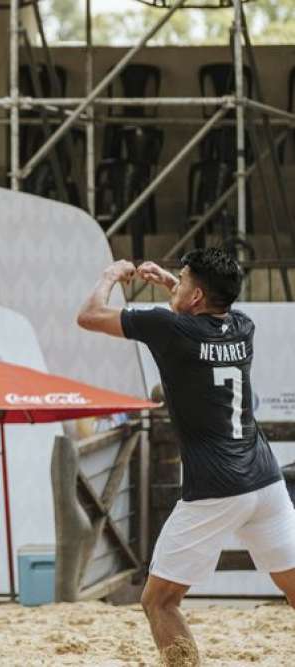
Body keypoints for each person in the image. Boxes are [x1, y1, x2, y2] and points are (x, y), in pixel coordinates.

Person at [76, 249, 295, 666]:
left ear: (195, 296)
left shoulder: (168, 327)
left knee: (159, 602)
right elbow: (204, 311)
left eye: (184, 277)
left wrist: (110, 275)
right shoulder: (243, 327)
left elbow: (88, 316)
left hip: (216, 488)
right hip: (266, 482)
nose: (178, 280)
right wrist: (171, 284)